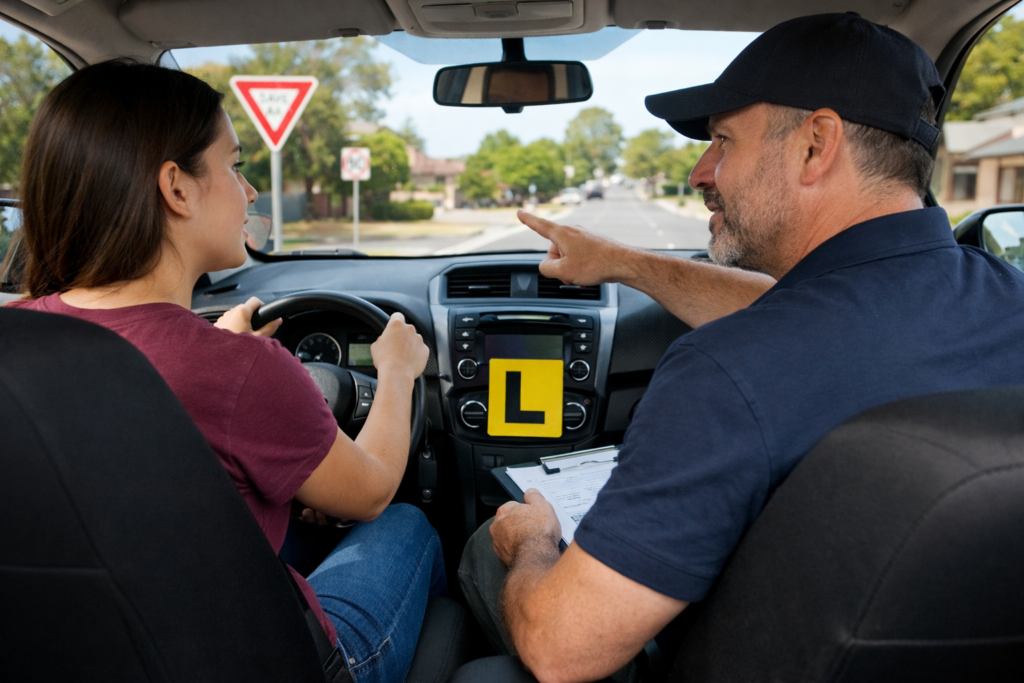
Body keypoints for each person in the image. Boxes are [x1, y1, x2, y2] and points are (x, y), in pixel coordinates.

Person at [458, 13, 1024, 683]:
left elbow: (563, 647)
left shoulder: (727, 374)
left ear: (817, 145)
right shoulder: (1006, 301)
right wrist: (620, 263)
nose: (701, 171)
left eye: (723, 140)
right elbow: (816, 323)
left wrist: (531, 543)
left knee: (485, 548)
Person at [3, 59, 444, 683]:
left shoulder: (17, 338)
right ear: (177, 188)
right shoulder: (238, 372)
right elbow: (370, 490)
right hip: (276, 661)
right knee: (408, 523)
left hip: (71, 653)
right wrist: (398, 372)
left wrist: (215, 349)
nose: (251, 191)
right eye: (235, 166)